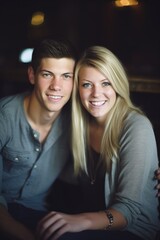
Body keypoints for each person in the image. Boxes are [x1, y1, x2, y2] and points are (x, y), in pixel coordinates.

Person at [36, 46, 160, 240]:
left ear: (117, 85)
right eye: (87, 85)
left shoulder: (136, 126)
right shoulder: (80, 125)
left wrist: (80, 220)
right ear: (78, 89)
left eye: (105, 83)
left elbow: (128, 211)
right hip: (95, 225)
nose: (96, 93)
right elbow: (60, 176)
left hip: (134, 230)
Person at [0, 38, 77, 240]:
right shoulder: (4, 117)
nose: (56, 86)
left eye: (66, 76)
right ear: (32, 75)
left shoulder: (75, 123)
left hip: (39, 216)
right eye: (47, 74)